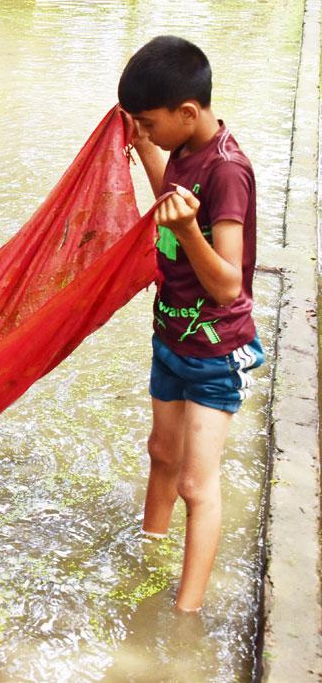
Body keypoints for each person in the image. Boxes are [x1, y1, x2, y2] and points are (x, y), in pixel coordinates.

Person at [118, 36, 264, 612]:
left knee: (196, 485)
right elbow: (174, 196)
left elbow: (229, 282)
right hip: (172, 338)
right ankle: (149, 552)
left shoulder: (229, 171)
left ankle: (184, 619)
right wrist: (147, 152)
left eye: (151, 124)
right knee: (161, 452)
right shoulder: (181, 147)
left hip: (215, 352)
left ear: (187, 112)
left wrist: (186, 235)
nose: (148, 133)